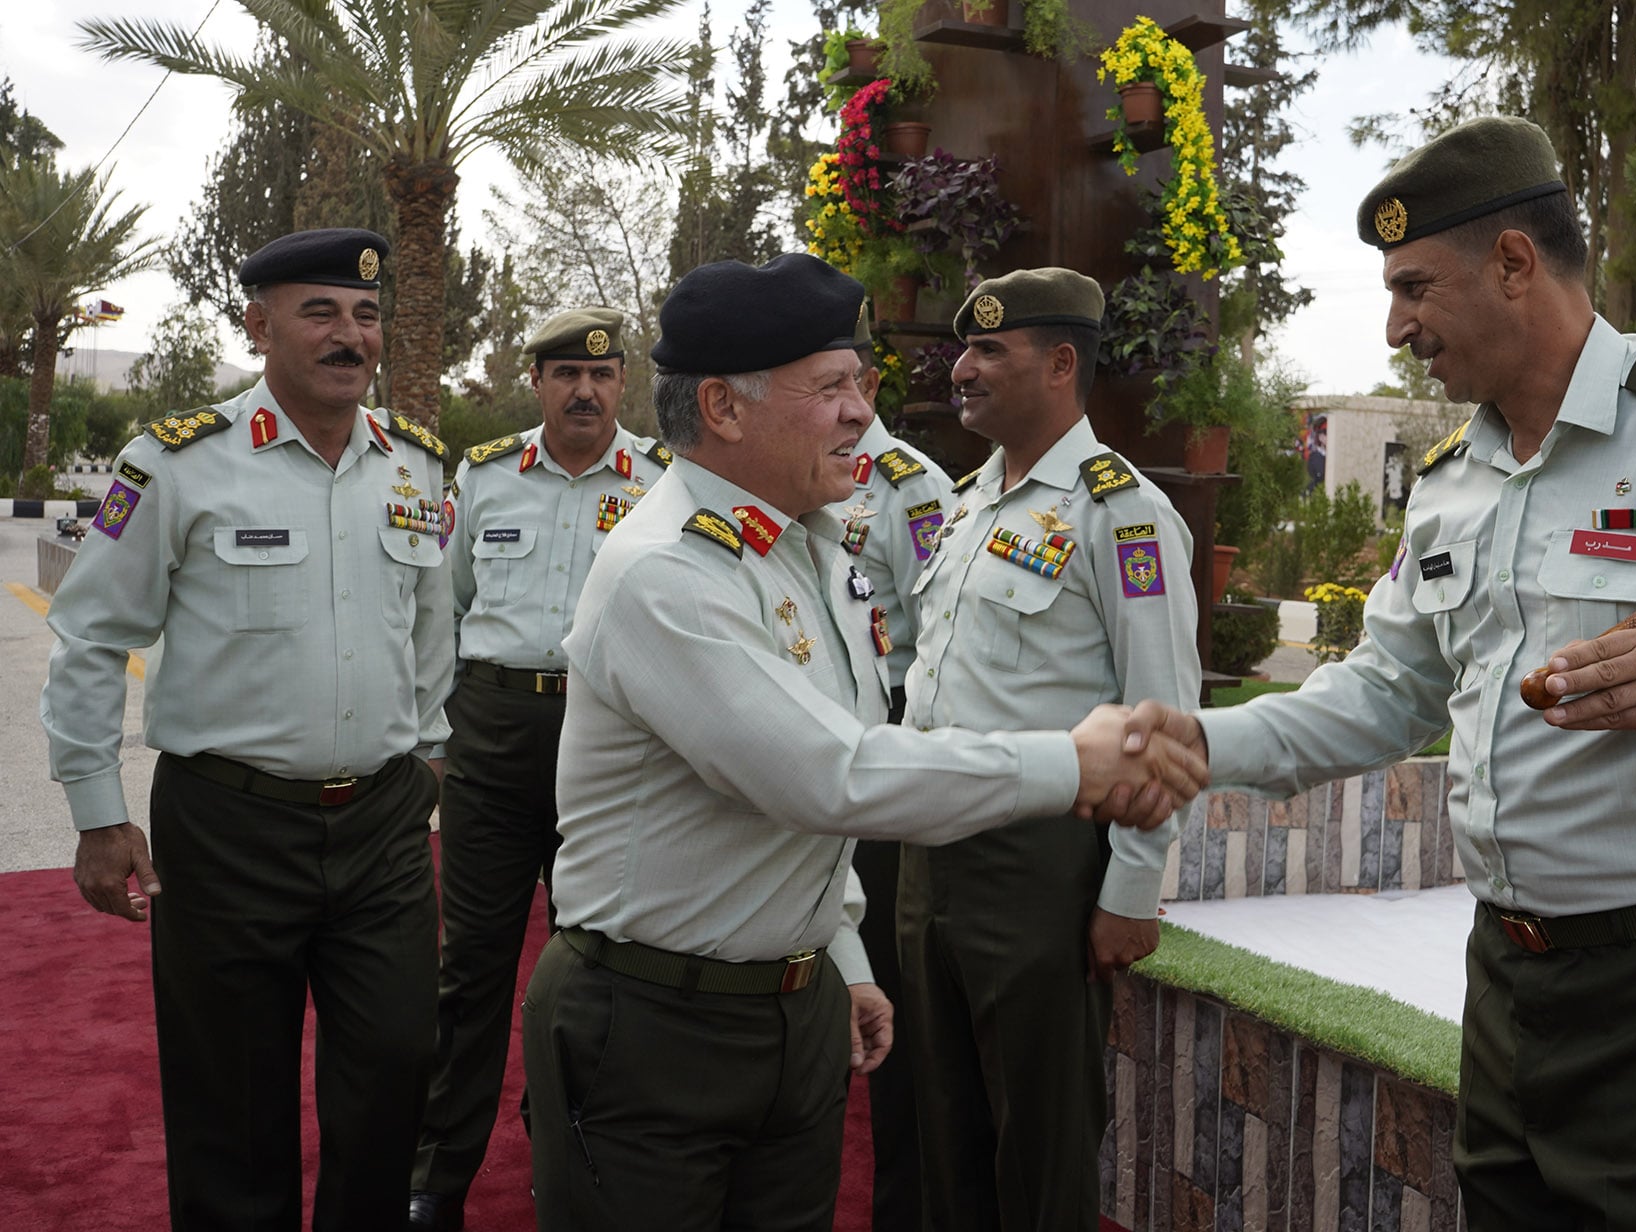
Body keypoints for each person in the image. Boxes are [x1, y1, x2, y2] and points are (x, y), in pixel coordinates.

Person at [1115, 116, 1636, 1230]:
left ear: (1513, 262)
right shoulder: (1452, 477)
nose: (1394, 324)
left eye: (1413, 286)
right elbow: (1384, 690)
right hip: (1507, 978)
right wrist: (1198, 742)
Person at [518, 252, 1206, 1232]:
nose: (860, 412)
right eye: (832, 386)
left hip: (791, 1014)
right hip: (656, 1023)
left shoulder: (809, 546)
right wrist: (1075, 759)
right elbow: (825, 774)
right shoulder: (664, 574)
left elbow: (832, 756)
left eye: (858, 385)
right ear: (722, 406)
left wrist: (833, 949)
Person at [42, 227, 454, 1232]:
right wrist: (98, 811)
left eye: (364, 316)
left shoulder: (419, 466)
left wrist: (427, 752)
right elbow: (92, 633)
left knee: (396, 1063)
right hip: (228, 826)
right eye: (320, 312)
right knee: (232, 1099)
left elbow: (434, 631)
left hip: (382, 827)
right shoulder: (177, 462)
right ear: (257, 324)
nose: (348, 335)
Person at [897, 267, 1202, 1232]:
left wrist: (1131, 890)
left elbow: (1163, 720)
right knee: (942, 1129)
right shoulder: (967, 502)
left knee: (1039, 1144)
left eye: (992, 349)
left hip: (1039, 868)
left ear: (1062, 363)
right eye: (965, 348)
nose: (965, 368)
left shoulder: (1122, 513)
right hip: (929, 853)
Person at [408, 308, 673, 1232]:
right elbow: (441, 612)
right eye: (566, 374)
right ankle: (438, 1173)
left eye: (601, 376)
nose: (585, 391)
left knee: (593, 958)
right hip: (491, 732)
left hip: (607, 739)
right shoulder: (481, 479)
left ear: (624, 383)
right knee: (471, 964)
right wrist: (434, 740)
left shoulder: (663, 483)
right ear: (538, 383)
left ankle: (571, 1155)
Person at [833, 312, 954, 1232]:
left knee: (891, 1012)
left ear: (870, 385)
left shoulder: (912, 489)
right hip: (803, 765)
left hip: (880, 772)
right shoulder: (799, 475)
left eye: (844, 381)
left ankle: (901, 1208)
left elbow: (938, 640)